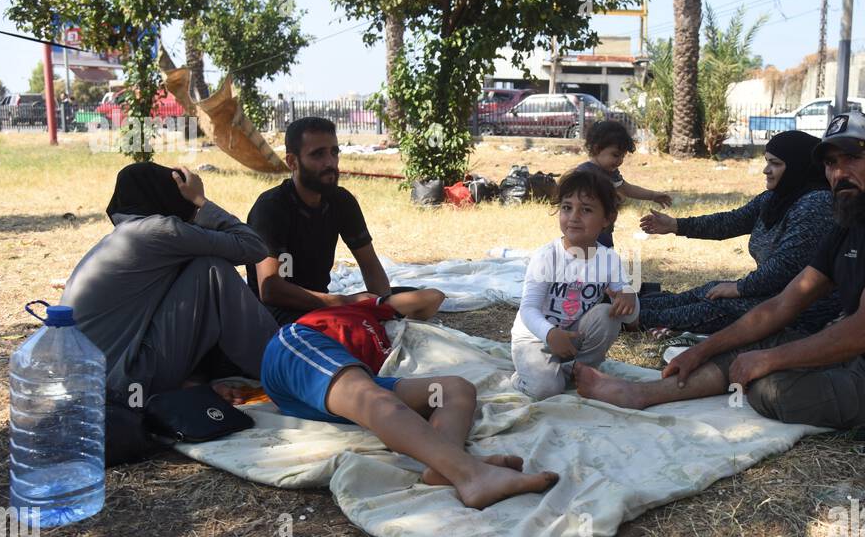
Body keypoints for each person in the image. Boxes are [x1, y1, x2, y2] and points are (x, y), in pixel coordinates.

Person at [575, 112, 865, 435]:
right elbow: (783, 303)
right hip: (861, 361)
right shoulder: (848, 221)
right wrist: (703, 349)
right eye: (831, 163)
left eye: (853, 159)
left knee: (768, 389)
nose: (840, 172)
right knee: (749, 341)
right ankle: (639, 395)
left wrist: (770, 359)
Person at [261, 298, 559, 510]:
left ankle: (442, 469)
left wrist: (387, 307)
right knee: (376, 402)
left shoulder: (382, 320)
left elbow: (432, 298)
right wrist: (358, 299)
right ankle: (472, 475)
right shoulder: (350, 306)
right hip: (300, 347)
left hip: (352, 377)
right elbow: (424, 299)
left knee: (455, 389)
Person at [62, 162, 279, 399]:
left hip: (99, 379)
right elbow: (255, 247)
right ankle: (284, 367)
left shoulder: (126, 235)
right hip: (121, 382)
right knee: (210, 270)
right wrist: (200, 200)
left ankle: (199, 379)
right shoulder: (158, 231)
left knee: (198, 271)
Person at [247, 116, 445, 327]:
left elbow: (370, 265)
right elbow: (270, 290)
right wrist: (343, 301)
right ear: (292, 162)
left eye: (334, 152)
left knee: (429, 298)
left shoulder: (341, 201)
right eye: (318, 154)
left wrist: (382, 305)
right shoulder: (271, 207)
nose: (330, 163)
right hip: (278, 317)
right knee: (348, 325)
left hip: (325, 307)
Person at [637, 130, 840, 335]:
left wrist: (739, 288)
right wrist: (676, 225)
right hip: (772, 294)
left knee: (718, 305)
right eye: (766, 161)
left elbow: (785, 266)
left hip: (802, 310)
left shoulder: (816, 203)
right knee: (710, 290)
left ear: (799, 167)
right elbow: (730, 221)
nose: (766, 170)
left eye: (775, 164)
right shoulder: (775, 198)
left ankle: (630, 317)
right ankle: (631, 303)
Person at [511, 169, 640, 400]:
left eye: (586, 210)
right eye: (567, 207)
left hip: (573, 335)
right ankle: (523, 378)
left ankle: (579, 368)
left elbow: (630, 316)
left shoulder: (609, 259)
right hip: (536, 336)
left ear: (608, 219)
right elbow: (528, 309)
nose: (574, 217)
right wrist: (549, 334)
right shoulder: (546, 256)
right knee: (546, 390)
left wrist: (628, 296)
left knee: (606, 313)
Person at [567, 118, 672, 247]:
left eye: (623, 156)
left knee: (605, 263)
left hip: (604, 232)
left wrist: (653, 195)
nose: (620, 161)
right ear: (596, 149)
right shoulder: (584, 173)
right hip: (584, 233)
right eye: (616, 155)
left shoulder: (612, 173)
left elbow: (627, 189)